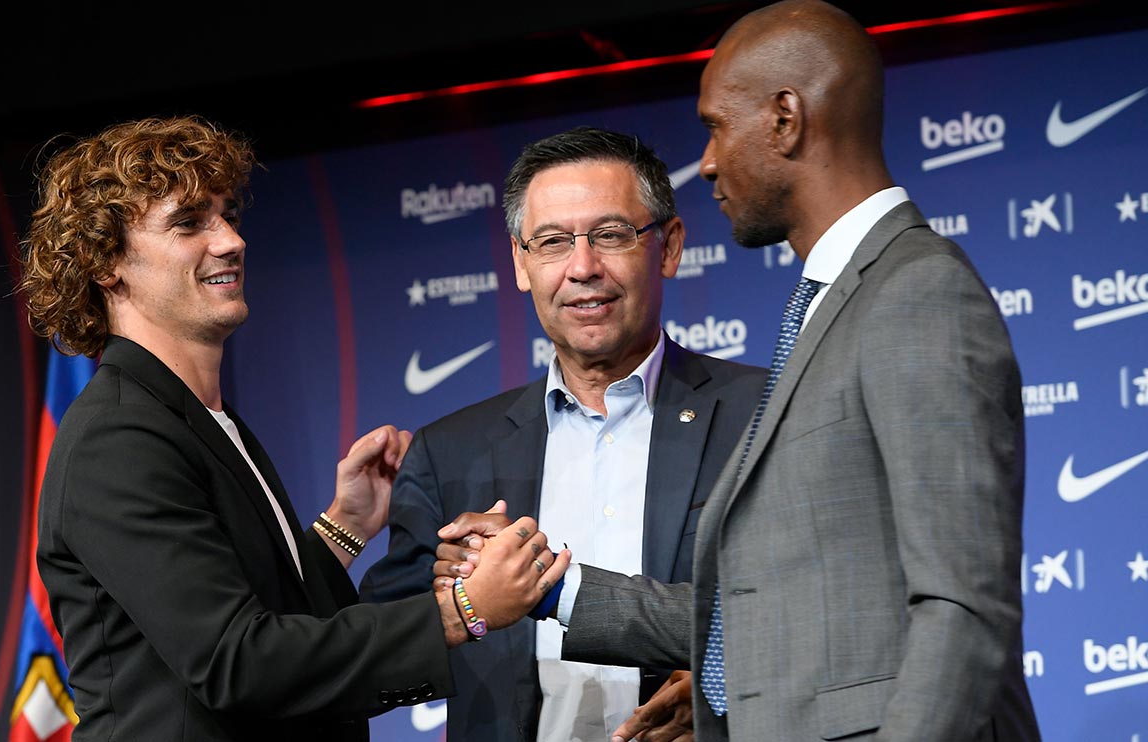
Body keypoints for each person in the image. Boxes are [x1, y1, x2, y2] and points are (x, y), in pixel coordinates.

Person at [436, 2, 1041, 739]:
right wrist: (548, 586)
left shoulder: (915, 292)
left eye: (716, 126)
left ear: (786, 118)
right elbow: (762, 608)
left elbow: (961, 604)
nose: (711, 161)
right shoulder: (839, 302)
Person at [17, 114, 568, 742]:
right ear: (105, 262)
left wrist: (347, 526)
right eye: (189, 222)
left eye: (226, 215)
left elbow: (257, 609)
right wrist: (461, 610)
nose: (230, 241)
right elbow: (238, 662)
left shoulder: (199, 419)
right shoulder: (116, 438)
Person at [359, 126, 766, 741]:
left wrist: (722, 689)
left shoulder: (763, 414)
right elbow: (375, 662)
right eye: (552, 242)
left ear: (669, 247)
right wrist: (457, 609)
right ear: (522, 265)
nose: (582, 267)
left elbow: (815, 611)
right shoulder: (450, 453)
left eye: (610, 235)